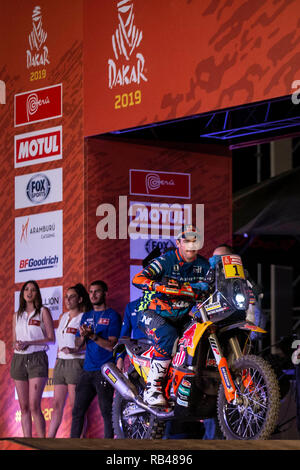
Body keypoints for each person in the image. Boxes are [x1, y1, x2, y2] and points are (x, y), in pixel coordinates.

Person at [133, 225, 210, 407]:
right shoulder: (166, 260)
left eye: (195, 241)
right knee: (168, 336)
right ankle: (152, 389)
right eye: (186, 241)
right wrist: (157, 286)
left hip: (183, 316)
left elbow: (214, 286)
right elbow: (137, 279)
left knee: (200, 336)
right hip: (152, 312)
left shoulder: (204, 265)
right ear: (178, 243)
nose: (191, 245)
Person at [70, 280, 121, 438]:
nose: (93, 295)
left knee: (106, 412)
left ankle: (108, 446)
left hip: (105, 370)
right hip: (87, 370)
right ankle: (72, 446)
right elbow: (78, 344)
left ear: (105, 294)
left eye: (97, 292)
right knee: (77, 412)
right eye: (91, 292)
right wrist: (83, 336)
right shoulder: (87, 315)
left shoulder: (112, 315)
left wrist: (92, 335)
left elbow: (111, 345)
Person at [10, 280, 55, 437]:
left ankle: (42, 443)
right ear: (22, 294)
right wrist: (16, 345)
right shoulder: (17, 315)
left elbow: (51, 338)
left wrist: (30, 343)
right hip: (19, 360)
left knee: (35, 405)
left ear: (37, 293)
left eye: (33, 290)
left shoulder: (43, 311)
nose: (29, 292)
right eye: (26, 289)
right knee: (23, 407)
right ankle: (27, 442)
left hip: (37, 359)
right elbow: (13, 340)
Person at [48, 283, 92, 438]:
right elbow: (59, 343)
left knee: (77, 407)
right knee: (56, 405)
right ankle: (49, 440)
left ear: (80, 299)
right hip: (60, 362)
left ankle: (78, 441)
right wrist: (56, 362)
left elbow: (84, 341)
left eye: (71, 296)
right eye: (66, 297)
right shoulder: (63, 316)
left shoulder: (85, 317)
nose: (67, 300)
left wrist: (75, 348)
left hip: (76, 362)